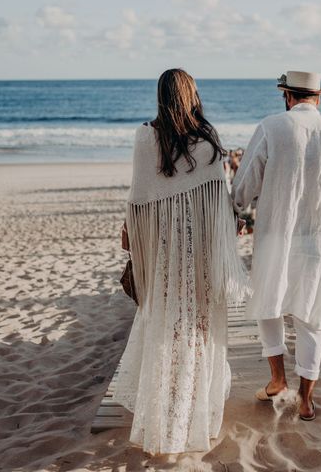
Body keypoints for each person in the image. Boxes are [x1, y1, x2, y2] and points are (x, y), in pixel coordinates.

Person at [112, 68, 249, 454]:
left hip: (161, 254)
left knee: (165, 328)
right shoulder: (207, 143)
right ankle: (193, 415)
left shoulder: (144, 137)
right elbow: (218, 207)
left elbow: (137, 202)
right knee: (197, 331)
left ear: (160, 96)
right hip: (200, 254)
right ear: (191, 95)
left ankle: (166, 414)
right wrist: (231, 227)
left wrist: (135, 239)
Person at [231, 70, 321, 421]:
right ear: (318, 98)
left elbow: (245, 182)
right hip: (320, 239)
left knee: (269, 304)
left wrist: (236, 213)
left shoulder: (271, 127)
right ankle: (305, 400)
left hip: (276, 234)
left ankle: (277, 379)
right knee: (312, 316)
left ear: (287, 96)